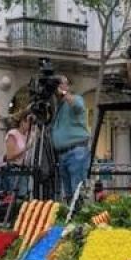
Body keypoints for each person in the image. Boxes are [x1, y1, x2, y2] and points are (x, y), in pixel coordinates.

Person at [50, 75, 90, 203]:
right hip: (62, 154)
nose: (59, 86)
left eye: (63, 83)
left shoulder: (76, 99)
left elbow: (78, 107)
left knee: (77, 191)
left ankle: (79, 218)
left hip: (76, 152)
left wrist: (64, 92)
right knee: (68, 194)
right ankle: (71, 218)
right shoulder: (58, 106)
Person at [2, 112, 32, 198]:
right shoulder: (13, 133)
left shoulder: (28, 136)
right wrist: (25, 148)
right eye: (29, 123)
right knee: (18, 197)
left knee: (25, 196)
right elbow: (9, 156)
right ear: (23, 122)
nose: (30, 126)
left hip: (26, 170)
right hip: (15, 170)